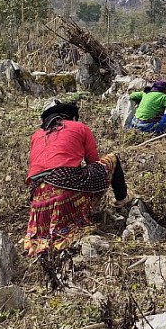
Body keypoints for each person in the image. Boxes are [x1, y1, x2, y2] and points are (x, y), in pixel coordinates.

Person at [24, 100, 131, 257]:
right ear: (72, 117)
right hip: (63, 192)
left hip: (38, 200)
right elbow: (93, 162)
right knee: (112, 159)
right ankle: (122, 199)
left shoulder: (37, 135)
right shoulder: (79, 128)